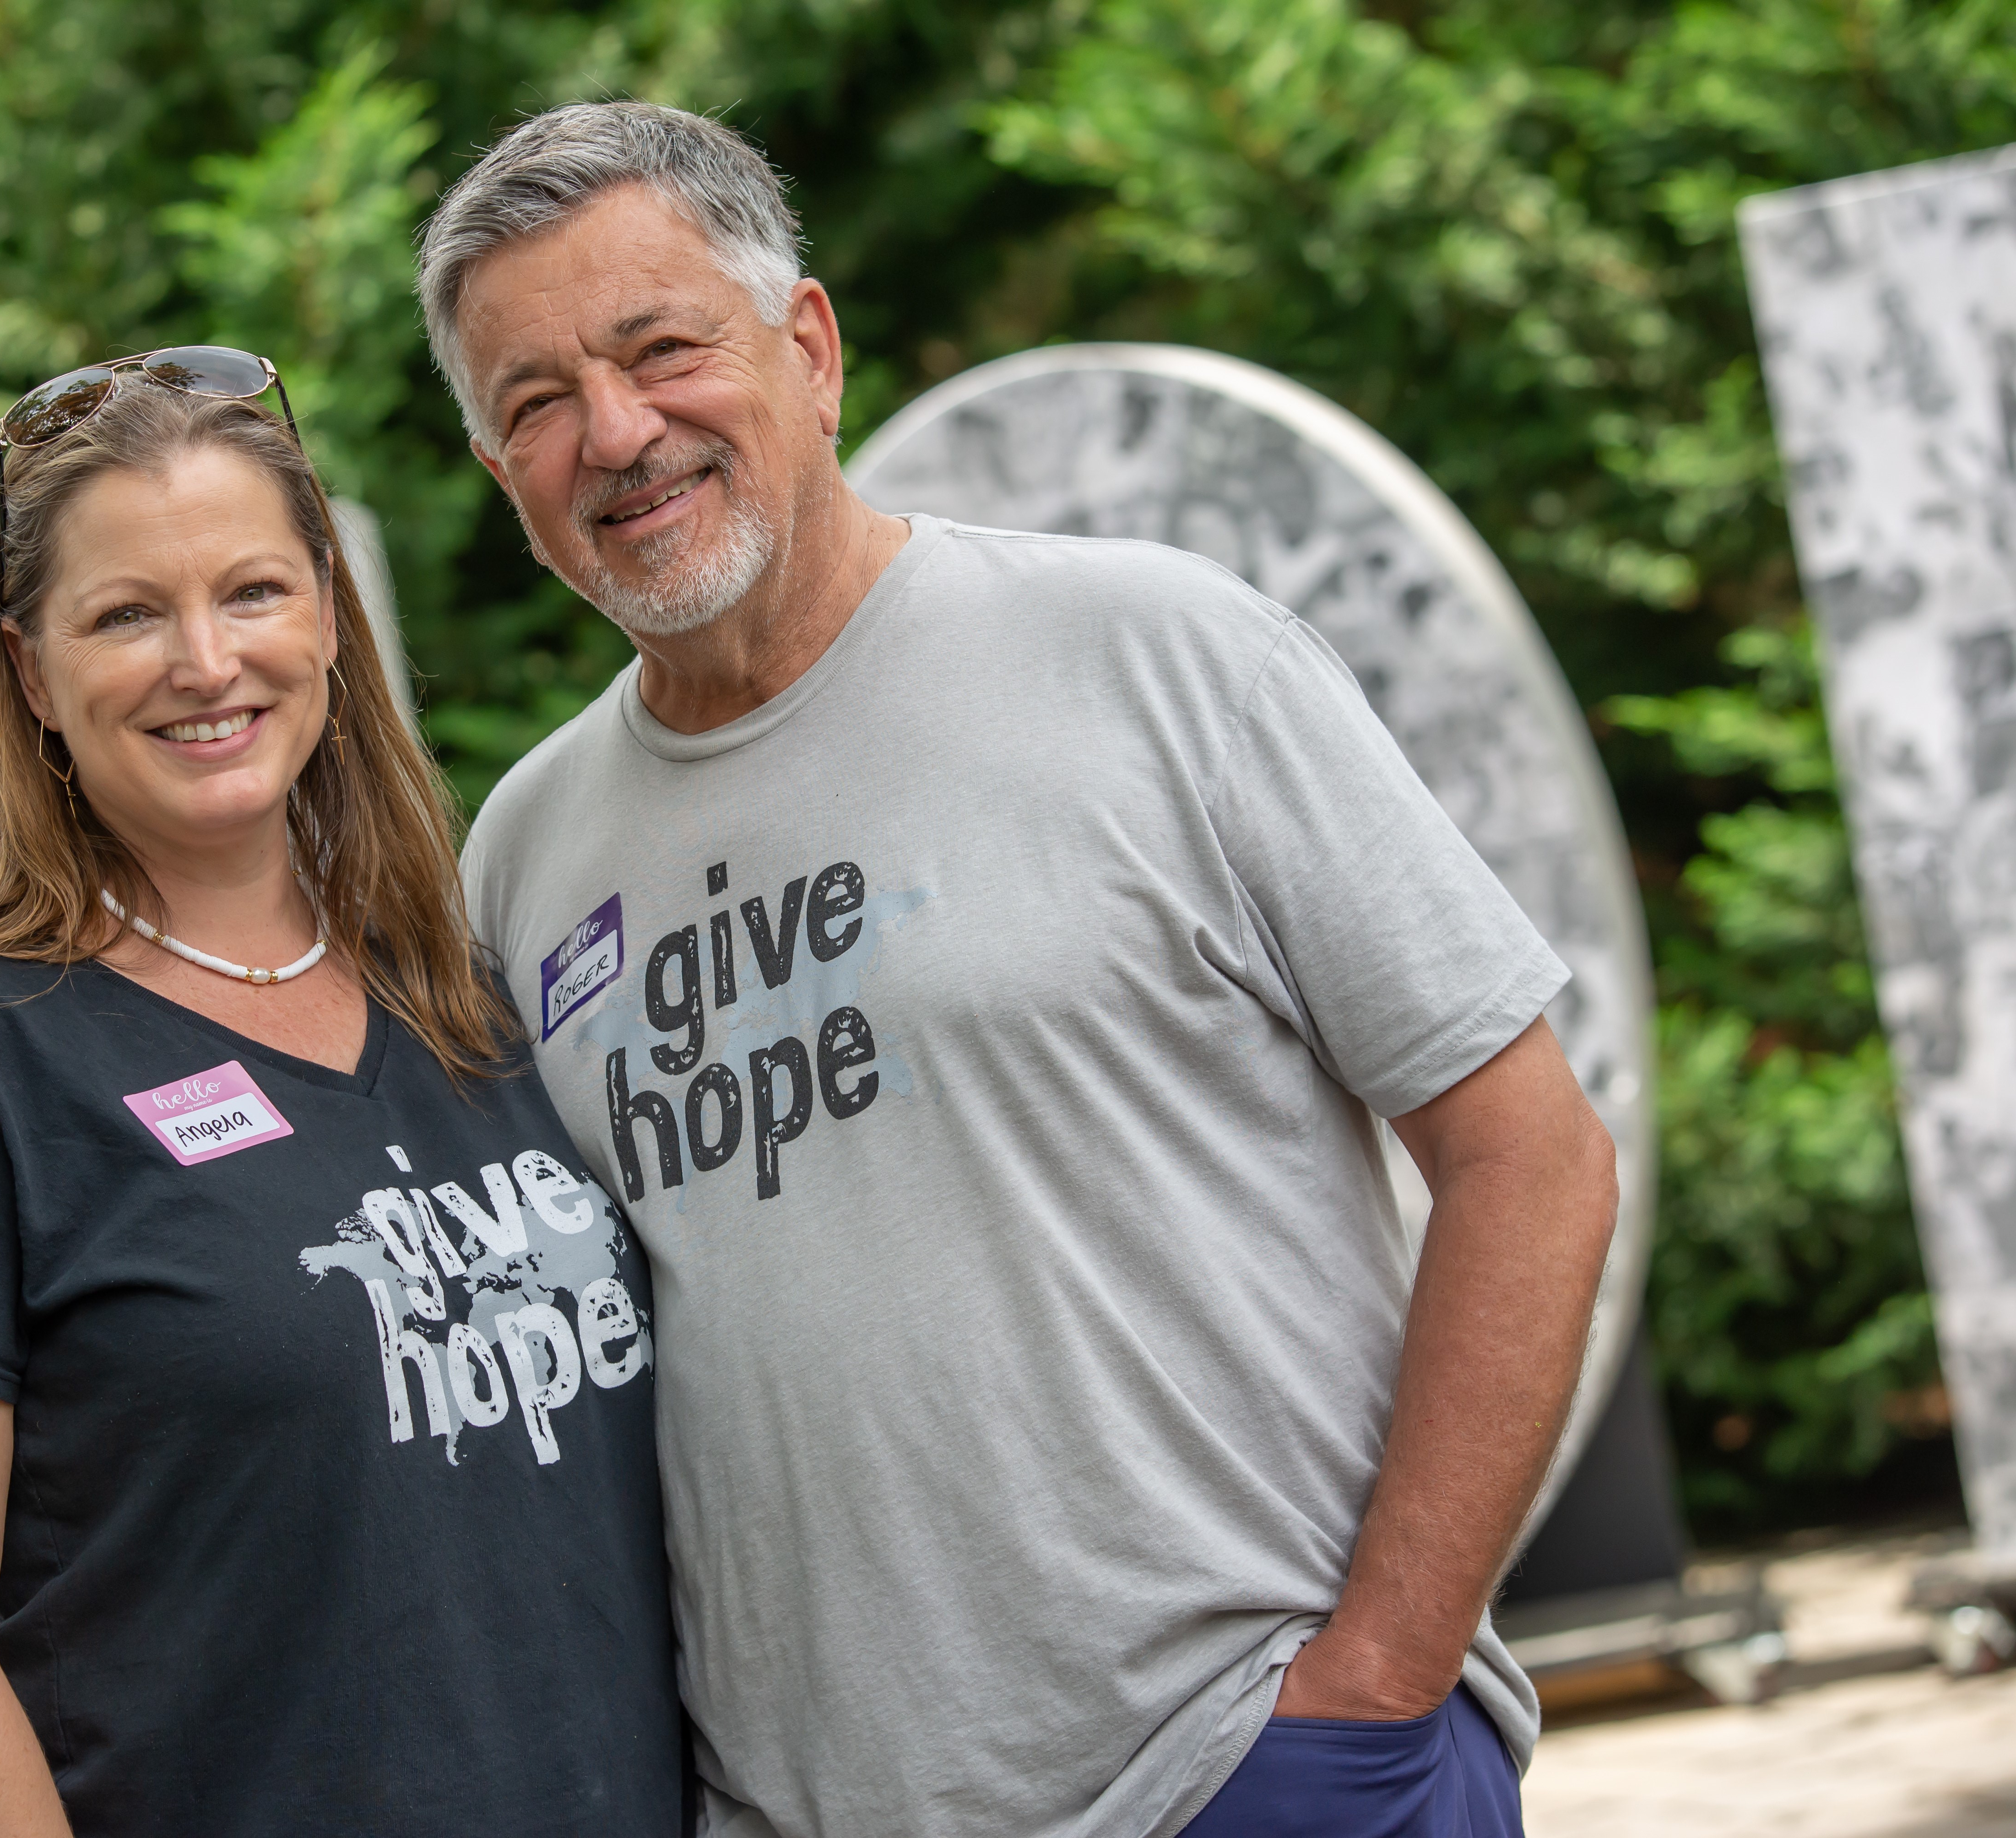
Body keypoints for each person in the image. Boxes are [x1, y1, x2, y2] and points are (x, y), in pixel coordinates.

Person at [426, 103, 1620, 1838]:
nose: (617, 432)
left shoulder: (1157, 653)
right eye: (537, 403)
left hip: (1258, 1772)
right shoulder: (525, 858)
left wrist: (1377, 1682)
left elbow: (1531, 1155)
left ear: (810, 350)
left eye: (662, 347)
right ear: (502, 474)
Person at [0, 350, 685, 1836]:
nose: (206, 662)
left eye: (251, 592)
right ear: (30, 673)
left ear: (327, 614)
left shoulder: (464, 993)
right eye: (128, 614)